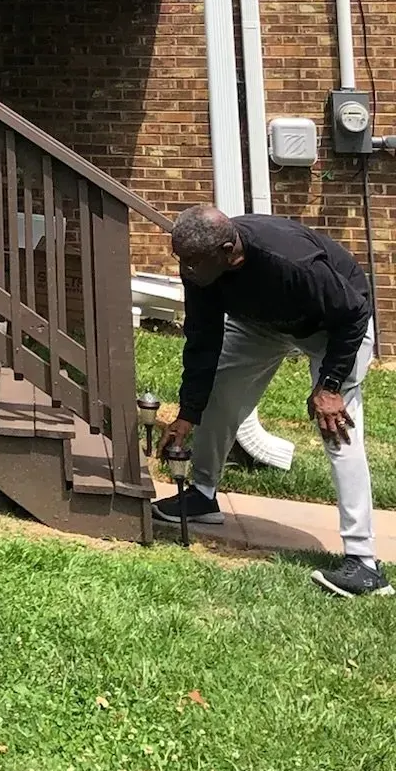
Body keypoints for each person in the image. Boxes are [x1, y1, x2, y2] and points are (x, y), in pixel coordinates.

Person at [153, 205, 388, 596]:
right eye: (182, 260)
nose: (186, 270)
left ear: (228, 251)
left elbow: (353, 312)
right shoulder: (203, 267)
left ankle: (364, 563)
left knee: (338, 429)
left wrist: (329, 386)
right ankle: (203, 496)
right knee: (219, 394)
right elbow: (202, 339)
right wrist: (188, 412)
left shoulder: (292, 262)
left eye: (193, 262)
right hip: (260, 324)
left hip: (334, 327)